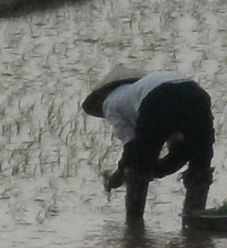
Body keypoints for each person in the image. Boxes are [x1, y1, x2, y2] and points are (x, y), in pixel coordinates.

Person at [82, 64, 215, 223]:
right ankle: (195, 223)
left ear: (102, 95)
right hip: (197, 95)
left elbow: (131, 146)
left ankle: (134, 226)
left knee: (138, 169)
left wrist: (122, 172)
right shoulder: (140, 89)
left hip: (159, 98)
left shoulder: (109, 102)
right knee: (200, 160)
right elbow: (182, 150)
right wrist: (157, 169)